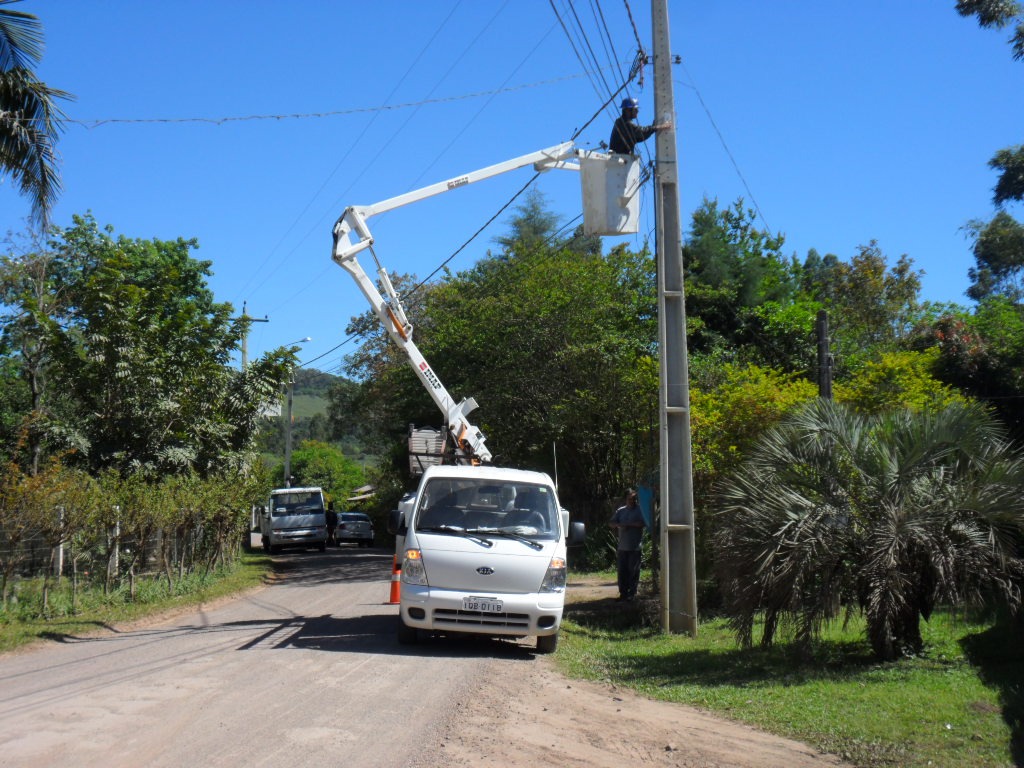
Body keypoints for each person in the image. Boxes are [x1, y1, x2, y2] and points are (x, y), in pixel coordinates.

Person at [610, 489, 646, 601]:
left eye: (634, 499)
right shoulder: (621, 511)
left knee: (633, 571)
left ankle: (632, 594)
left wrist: (629, 525)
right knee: (622, 572)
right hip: (622, 547)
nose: (632, 501)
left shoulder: (640, 510)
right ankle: (623, 594)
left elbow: (642, 523)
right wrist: (619, 525)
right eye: (630, 499)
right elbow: (611, 523)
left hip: (635, 547)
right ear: (626, 499)